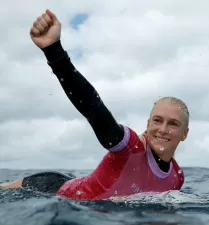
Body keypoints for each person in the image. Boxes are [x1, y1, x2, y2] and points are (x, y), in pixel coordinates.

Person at [0, 9, 190, 201]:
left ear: (185, 134)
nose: (163, 129)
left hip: (82, 185)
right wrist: (53, 50)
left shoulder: (177, 177)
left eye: (173, 124)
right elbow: (93, 108)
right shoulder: (130, 148)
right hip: (49, 190)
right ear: (148, 124)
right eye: (157, 120)